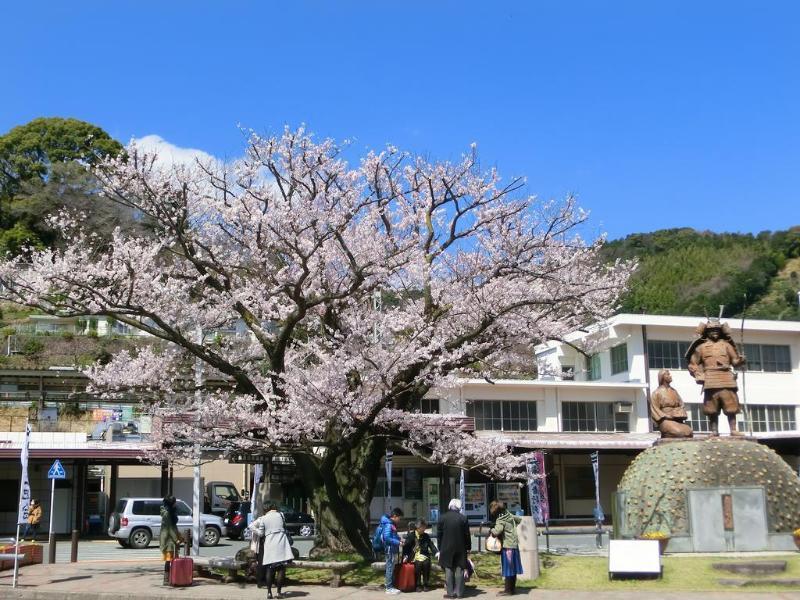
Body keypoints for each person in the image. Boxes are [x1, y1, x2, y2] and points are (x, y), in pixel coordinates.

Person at [686, 318, 746, 436]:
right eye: (712, 330)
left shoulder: (727, 345)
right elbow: (693, 363)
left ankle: (733, 430)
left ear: (721, 331)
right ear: (707, 332)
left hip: (726, 378)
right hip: (710, 380)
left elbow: (734, 361)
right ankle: (714, 431)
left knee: (731, 405)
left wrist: (740, 360)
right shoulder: (701, 347)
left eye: (717, 330)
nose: (715, 332)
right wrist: (698, 374)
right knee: (711, 408)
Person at [248, 502, 295, 599]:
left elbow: (260, 533)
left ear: (266, 509)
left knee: (270, 569)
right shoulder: (281, 515)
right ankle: (278, 592)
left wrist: (258, 531)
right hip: (282, 543)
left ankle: (269, 593)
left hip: (270, 544)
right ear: (274, 507)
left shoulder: (263, 518)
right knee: (281, 569)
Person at [437, 499, 471, 599]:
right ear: (459, 507)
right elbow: (467, 535)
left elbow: (439, 535)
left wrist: (440, 547)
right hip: (461, 547)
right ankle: (460, 593)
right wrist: (468, 547)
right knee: (460, 569)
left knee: (448, 569)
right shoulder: (463, 518)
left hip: (446, 547)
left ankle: (450, 593)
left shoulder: (442, 517)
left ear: (450, 505)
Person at [490, 500, 523, 596]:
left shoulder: (501, 519)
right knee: (513, 568)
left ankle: (508, 591)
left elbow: (496, 532)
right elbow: (519, 520)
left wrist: (491, 529)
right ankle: (512, 589)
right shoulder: (509, 515)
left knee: (508, 568)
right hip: (514, 545)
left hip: (507, 546)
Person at [650, 369, 693, 438]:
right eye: (668, 374)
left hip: (677, 419)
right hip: (665, 419)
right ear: (662, 377)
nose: (670, 376)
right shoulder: (656, 392)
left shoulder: (674, 391)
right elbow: (654, 409)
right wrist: (666, 415)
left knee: (689, 432)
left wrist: (679, 412)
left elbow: (681, 404)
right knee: (678, 432)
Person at [402, 518, 437, 592]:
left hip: (424, 555)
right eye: (423, 527)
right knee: (418, 564)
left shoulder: (426, 536)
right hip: (414, 556)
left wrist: (437, 552)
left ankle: (426, 584)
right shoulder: (411, 535)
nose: (424, 529)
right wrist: (405, 556)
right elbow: (406, 547)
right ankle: (418, 585)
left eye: (425, 527)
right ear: (418, 527)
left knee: (426, 563)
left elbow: (431, 545)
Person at [377, 507, 404, 595]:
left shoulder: (390, 524)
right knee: (389, 568)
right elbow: (387, 538)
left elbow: (392, 535)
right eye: (399, 518)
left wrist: (399, 539)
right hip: (390, 549)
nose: (399, 520)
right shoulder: (388, 524)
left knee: (391, 567)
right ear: (395, 516)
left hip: (392, 548)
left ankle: (390, 585)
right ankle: (389, 588)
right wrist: (398, 542)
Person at [159, 496, 183, 586]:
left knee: (173, 559)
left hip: (170, 538)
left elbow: (173, 527)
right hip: (168, 539)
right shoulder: (167, 514)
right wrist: (176, 539)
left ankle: (173, 578)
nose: (176, 503)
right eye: (174, 502)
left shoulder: (170, 512)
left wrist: (178, 537)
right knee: (169, 559)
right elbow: (170, 528)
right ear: (171, 503)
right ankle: (167, 579)